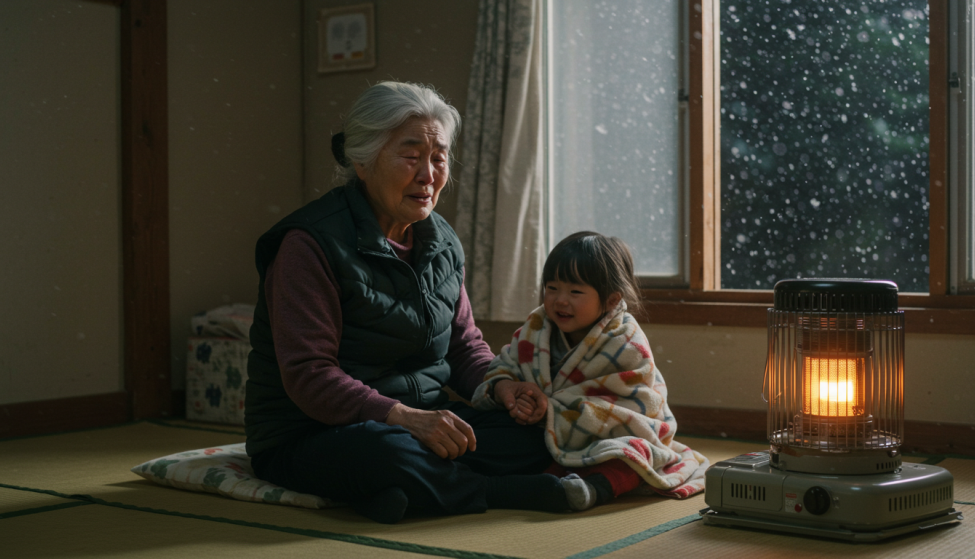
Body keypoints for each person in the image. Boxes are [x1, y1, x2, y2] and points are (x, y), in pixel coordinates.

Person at [244, 81, 587, 523]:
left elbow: (463, 346)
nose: (428, 175)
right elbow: (309, 377)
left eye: (439, 158)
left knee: (540, 430)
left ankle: (403, 494)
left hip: (419, 423)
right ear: (362, 162)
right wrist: (401, 418)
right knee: (384, 452)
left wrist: (503, 388)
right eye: (411, 156)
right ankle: (494, 490)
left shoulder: (441, 241)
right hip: (315, 434)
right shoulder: (308, 246)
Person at [472, 231, 709, 510]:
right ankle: (542, 485)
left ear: (610, 300)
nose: (560, 300)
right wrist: (509, 393)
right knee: (489, 437)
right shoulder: (537, 327)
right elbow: (505, 365)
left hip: (604, 434)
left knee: (631, 455)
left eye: (575, 291)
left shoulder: (625, 342)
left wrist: (551, 409)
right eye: (552, 288)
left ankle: (591, 489)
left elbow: (631, 407)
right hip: (541, 430)